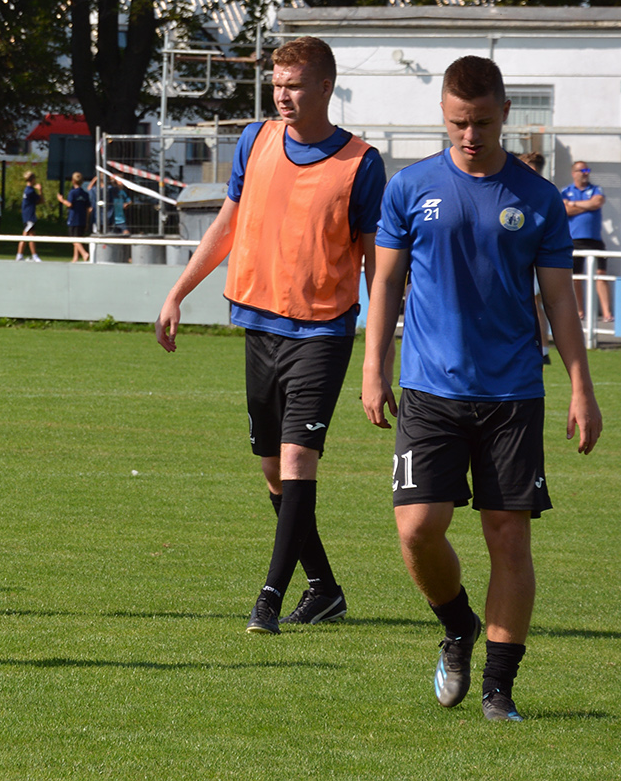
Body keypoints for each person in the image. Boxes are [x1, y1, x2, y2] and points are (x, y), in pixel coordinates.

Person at [362, 55, 602, 722]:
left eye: (483, 123)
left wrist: (581, 388)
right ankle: (456, 623)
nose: (470, 135)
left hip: (513, 394)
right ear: (444, 115)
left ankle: (499, 688)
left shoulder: (537, 198)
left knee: (507, 537)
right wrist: (373, 364)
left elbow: (559, 301)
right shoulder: (409, 188)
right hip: (429, 390)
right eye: (458, 123)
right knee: (417, 528)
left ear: (504, 115)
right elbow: (385, 282)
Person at [155, 36, 386, 634]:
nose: (283, 95)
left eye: (295, 85)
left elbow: (375, 266)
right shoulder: (254, 140)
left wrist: (377, 356)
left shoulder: (361, 163)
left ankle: (269, 598)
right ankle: (325, 589)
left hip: (322, 331)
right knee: (273, 470)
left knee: (297, 459)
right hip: (258, 326)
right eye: (277, 84)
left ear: (325, 88)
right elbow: (229, 223)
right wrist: (178, 291)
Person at [562, 160, 611, 322]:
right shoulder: (566, 191)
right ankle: (579, 311)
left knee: (601, 274)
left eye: (587, 170)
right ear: (573, 173)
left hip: (595, 240)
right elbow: (565, 210)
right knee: (576, 277)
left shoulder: (596, 189)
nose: (585, 173)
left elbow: (597, 202)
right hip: (575, 240)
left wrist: (574, 204)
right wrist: (586, 205)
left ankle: (607, 313)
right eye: (582, 171)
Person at [518, 153, 552, 363]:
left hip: (533, 259)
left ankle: (543, 348)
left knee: (536, 302)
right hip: (518, 258)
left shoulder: (541, 193)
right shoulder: (515, 191)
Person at [57, 172, 92, 263]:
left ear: (73, 181)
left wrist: (62, 200)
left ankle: (84, 253)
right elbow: (89, 208)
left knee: (73, 238)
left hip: (74, 219)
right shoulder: (85, 194)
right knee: (78, 238)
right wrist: (87, 221)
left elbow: (69, 204)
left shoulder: (73, 193)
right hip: (82, 219)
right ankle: (75, 257)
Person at [17, 171, 42, 262]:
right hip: (29, 216)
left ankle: (21, 255)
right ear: (33, 179)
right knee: (28, 236)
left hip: (27, 216)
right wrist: (40, 190)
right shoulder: (30, 191)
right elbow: (41, 200)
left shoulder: (27, 190)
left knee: (28, 235)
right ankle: (33, 255)